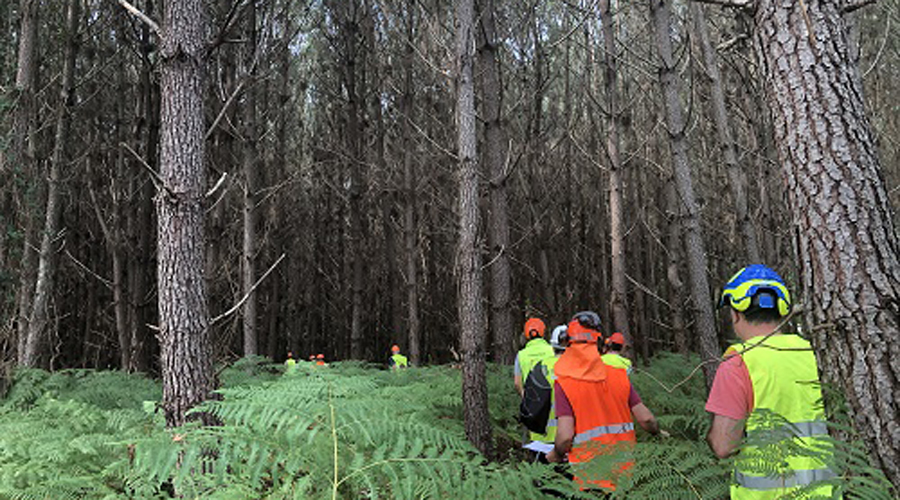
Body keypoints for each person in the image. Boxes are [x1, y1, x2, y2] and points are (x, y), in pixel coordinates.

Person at [706, 265, 834, 499]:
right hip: (824, 492)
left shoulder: (738, 362)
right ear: (782, 309)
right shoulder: (814, 352)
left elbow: (724, 445)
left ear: (735, 313)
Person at [547, 311, 662, 491]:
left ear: (568, 342)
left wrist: (555, 454)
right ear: (600, 342)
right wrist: (659, 432)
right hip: (626, 475)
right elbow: (646, 419)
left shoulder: (564, 383)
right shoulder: (619, 375)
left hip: (590, 478)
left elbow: (565, 436)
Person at [514, 317, 559, 459]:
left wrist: (527, 399)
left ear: (526, 335)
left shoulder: (521, 355)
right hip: (557, 407)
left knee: (538, 452)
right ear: (544, 332)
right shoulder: (552, 350)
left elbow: (517, 383)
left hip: (535, 411)